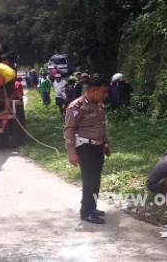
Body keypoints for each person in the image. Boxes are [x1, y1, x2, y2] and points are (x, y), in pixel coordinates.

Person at [63, 78, 111, 224]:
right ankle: (86, 212)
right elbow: (69, 130)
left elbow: (102, 126)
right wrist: (72, 152)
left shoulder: (98, 105)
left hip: (97, 146)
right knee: (90, 180)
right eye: (103, 92)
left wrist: (106, 143)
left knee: (95, 179)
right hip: (85, 148)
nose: (105, 95)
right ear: (92, 91)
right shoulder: (76, 107)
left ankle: (92, 207)